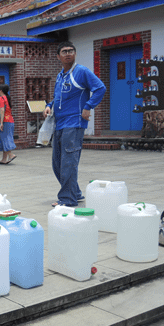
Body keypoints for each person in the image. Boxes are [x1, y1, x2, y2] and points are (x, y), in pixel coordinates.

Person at [43, 41, 106, 207]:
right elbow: (58, 97)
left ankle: (67, 199)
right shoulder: (60, 75)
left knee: (68, 162)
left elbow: (100, 88)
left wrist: (88, 106)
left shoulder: (81, 71)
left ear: (75, 53)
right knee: (57, 163)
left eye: (71, 50)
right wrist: (49, 106)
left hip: (74, 123)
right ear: (58, 56)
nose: (68, 54)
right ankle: (75, 192)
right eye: (64, 51)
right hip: (59, 124)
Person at [0, 84, 16, 165]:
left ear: (1, 90)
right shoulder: (7, 98)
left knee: (4, 138)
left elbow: (2, 110)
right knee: (5, 138)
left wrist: (1, 123)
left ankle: (10, 155)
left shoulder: (1, 98)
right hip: (10, 120)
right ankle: (4, 159)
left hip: (5, 121)